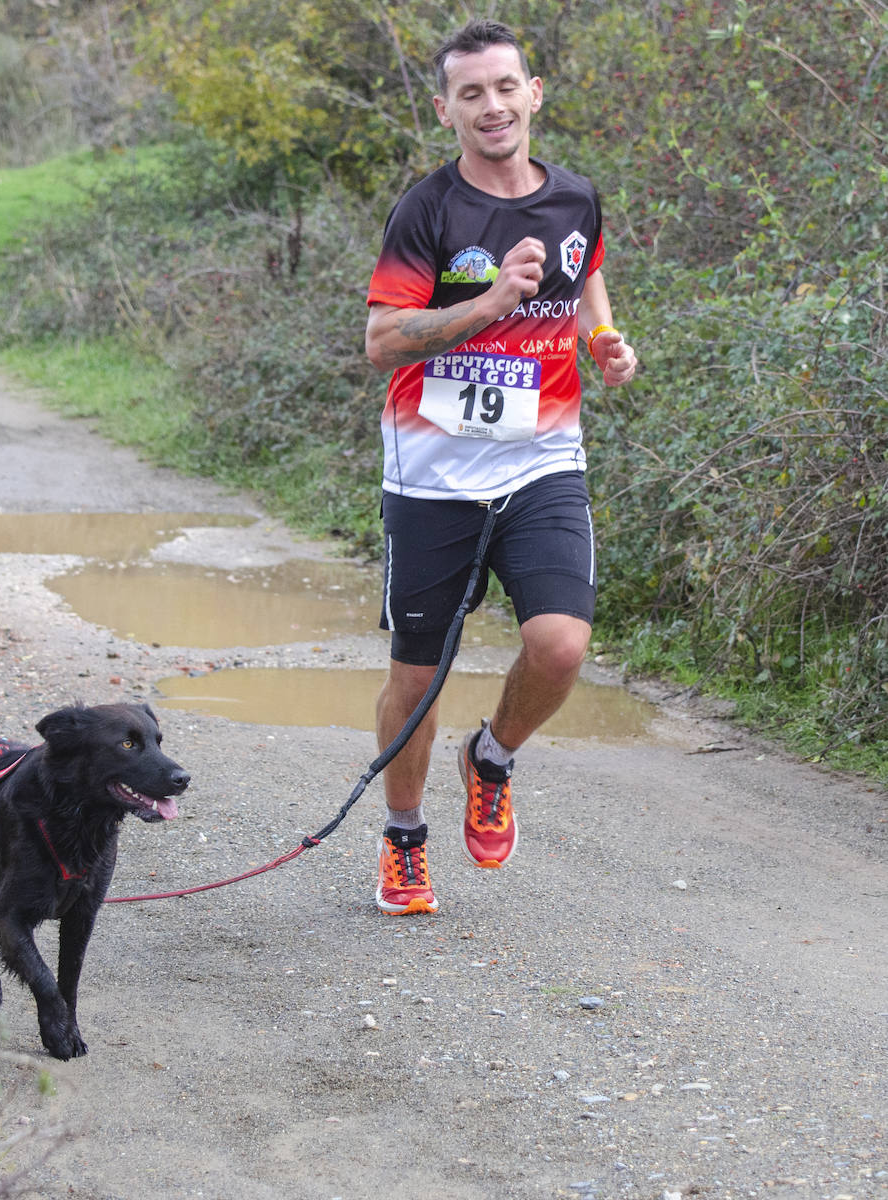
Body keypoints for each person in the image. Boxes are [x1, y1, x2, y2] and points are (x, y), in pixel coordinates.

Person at [364, 18, 638, 915]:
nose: (492, 106)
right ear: (446, 109)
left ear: (534, 94)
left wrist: (600, 337)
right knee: (416, 675)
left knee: (560, 643)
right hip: (433, 478)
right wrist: (487, 303)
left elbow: (584, 269)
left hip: (541, 461)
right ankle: (405, 838)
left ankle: (493, 756)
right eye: (470, 93)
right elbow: (381, 342)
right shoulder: (429, 210)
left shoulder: (573, 197)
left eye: (505, 87)